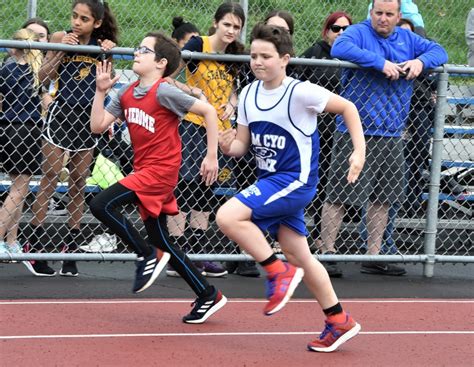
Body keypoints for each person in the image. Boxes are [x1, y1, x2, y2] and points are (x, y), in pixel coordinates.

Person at [216, 23, 365, 352]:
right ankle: (338, 319)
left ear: (285, 58)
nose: (257, 61)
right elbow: (242, 145)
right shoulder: (250, 94)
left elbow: (348, 108)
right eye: (254, 55)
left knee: (227, 217)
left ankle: (276, 272)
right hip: (270, 181)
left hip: (295, 181)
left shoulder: (300, 91)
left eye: (266, 56)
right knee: (302, 256)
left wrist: (358, 152)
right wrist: (228, 145)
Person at [89, 31, 227, 324]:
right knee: (162, 238)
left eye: (144, 50)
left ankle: (145, 254)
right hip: (144, 171)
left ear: (161, 63)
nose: (136, 53)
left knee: (101, 205)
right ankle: (207, 293)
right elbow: (98, 126)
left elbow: (208, 112)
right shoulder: (127, 94)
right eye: (137, 48)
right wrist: (101, 92)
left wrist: (211, 156)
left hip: (161, 172)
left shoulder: (164, 92)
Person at [320, 0, 448, 276]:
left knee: (384, 197)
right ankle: (327, 251)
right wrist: (379, 63)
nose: (383, 19)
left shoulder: (408, 37)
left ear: (398, 15)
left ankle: (374, 254)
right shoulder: (358, 32)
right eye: (378, 13)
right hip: (354, 132)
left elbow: (440, 51)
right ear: (371, 13)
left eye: (389, 14)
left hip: (391, 132)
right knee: (339, 195)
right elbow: (340, 47)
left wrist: (419, 61)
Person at [23, 0, 118, 277]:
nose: (77, 22)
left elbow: (107, 80)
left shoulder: (103, 44)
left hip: (87, 117)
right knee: (50, 177)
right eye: (74, 16)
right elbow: (42, 76)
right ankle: (37, 246)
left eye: (84, 19)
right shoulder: (59, 37)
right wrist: (62, 49)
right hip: (62, 111)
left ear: (96, 23)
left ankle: (71, 249)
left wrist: (107, 54)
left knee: (78, 182)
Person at [166, 2, 246, 278]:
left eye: (236, 27)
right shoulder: (199, 45)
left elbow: (233, 91)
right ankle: (177, 254)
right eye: (227, 24)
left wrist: (232, 105)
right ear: (215, 23)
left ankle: (197, 254)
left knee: (206, 187)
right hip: (194, 124)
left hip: (220, 129)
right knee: (185, 184)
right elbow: (165, 77)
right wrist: (193, 93)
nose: (231, 31)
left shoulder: (235, 53)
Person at [299, 11, 353, 278]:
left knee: (330, 187)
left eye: (345, 29)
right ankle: (295, 241)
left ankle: (323, 243)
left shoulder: (353, 56)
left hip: (340, 132)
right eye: (335, 28)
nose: (340, 33)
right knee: (308, 183)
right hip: (313, 130)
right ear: (325, 30)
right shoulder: (314, 53)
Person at [0, 29, 44, 259]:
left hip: (9, 127)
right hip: (25, 130)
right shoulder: (35, 71)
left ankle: (12, 239)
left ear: (13, 47)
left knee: (18, 187)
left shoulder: (8, 69)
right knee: (19, 189)